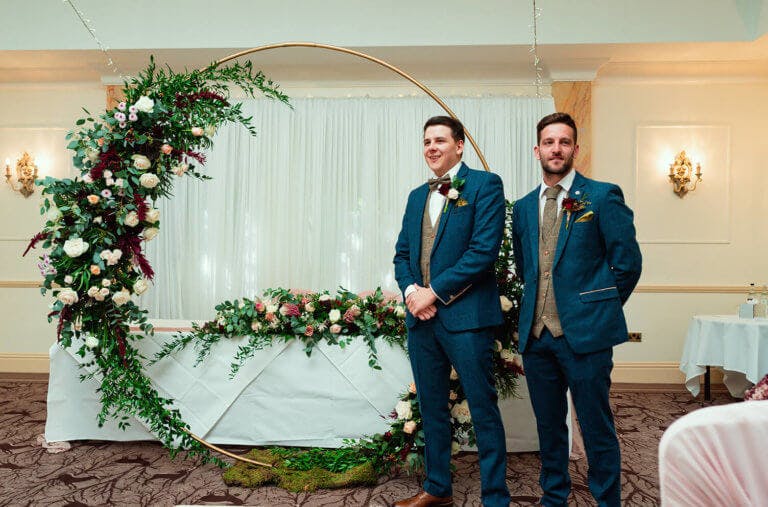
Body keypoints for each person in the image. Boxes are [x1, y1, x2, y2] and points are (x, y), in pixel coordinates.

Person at [511, 112, 642, 507]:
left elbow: (628, 264)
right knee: (549, 429)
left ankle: (607, 501)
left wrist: (596, 310)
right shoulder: (520, 207)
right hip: (537, 340)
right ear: (537, 150)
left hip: (586, 338)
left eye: (564, 142)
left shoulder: (601, 196)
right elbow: (526, 267)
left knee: (596, 426)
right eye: (549, 142)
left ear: (575, 149)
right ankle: (554, 498)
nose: (556, 149)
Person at [392, 116, 510, 507]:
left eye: (440, 140)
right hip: (421, 321)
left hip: (467, 319)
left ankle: (495, 497)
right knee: (431, 407)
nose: (432, 147)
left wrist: (434, 293)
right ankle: (437, 489)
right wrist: (412, 293)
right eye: (426, 141)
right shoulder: (415, 196)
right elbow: (403, 255)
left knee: (482, 408)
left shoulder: (485, 186)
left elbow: (482, 253)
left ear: (460, 145)